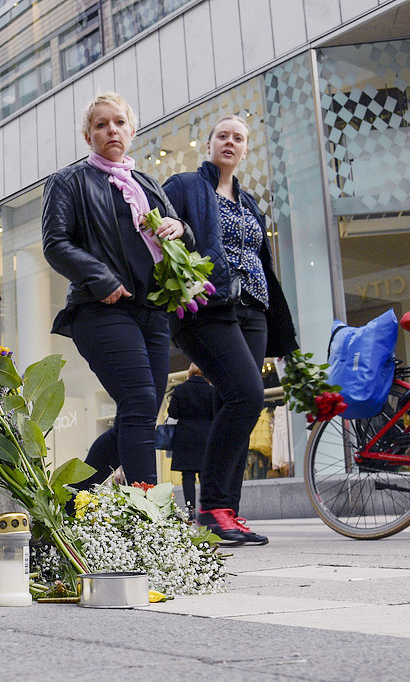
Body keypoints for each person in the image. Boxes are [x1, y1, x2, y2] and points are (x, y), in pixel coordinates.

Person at [42, 92, 193, 488]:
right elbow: (55, 244)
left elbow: (178, 236)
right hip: (100, 308)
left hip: (153, 312)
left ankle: (73, 500)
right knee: (140, 402)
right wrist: (101, 278)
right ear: (87, 135)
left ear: (132, 130)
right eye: (101, 124)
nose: (111, 129)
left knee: (139, 413)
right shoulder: (69, 181)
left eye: (119, 122)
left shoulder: (146, 184)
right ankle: (149, 514)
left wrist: (182, 228)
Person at [163, 115, 298, 545]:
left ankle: (227, 514)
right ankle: (213, 509)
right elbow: (158, 231)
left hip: (254, 308)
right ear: (209, 145)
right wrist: (182, 229)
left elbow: (263, 261)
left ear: (244, 151)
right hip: (208, 305)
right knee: (247, 394)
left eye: (238, 138)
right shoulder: (186, 186)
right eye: (223, 135)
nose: (230, 142)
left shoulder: (250, 202)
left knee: (235, 403)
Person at [167, 364, 215, 521]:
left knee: (187, 476)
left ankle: (190, 509)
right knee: (205, 475)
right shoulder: (211, 390)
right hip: (206, 435)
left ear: (189, 373)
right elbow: (216, 413)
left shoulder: (180, 389)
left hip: (185, 435)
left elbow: (173, 413)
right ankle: (207, 509)